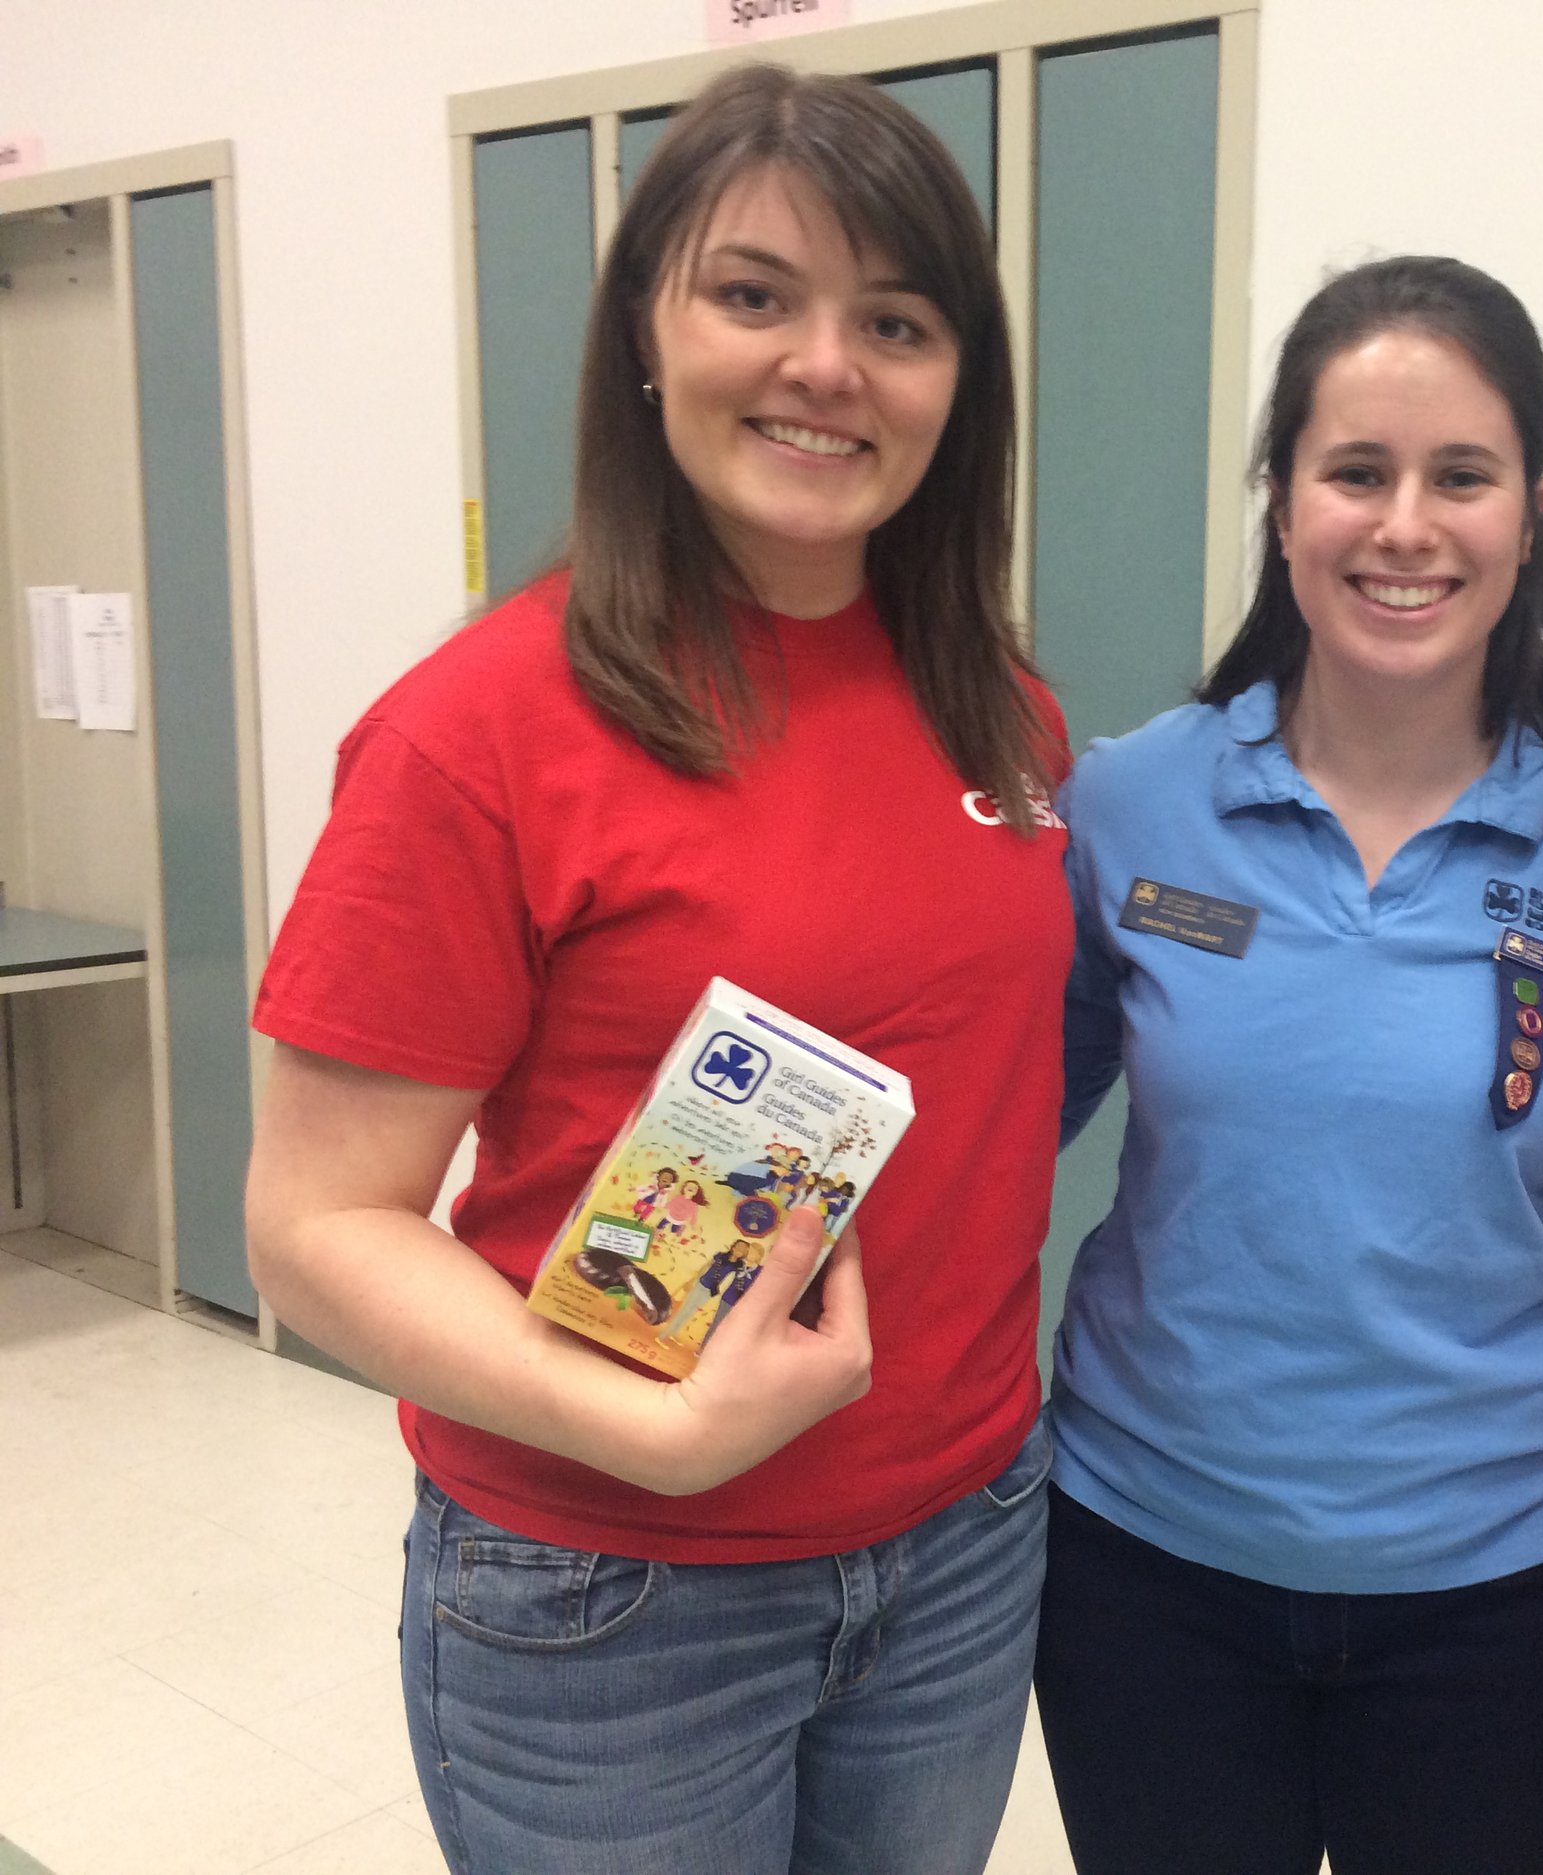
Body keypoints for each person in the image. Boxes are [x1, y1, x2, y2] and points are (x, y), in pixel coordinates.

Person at [243, 65, 1070, 1875]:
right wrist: (650, 1429)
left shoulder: (1002, 715)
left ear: (960, 385)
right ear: (646, 332)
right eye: (755, 294)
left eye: (898, 320)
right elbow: (314, 1227)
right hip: (613, 1591)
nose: (827, 366)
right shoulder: (477, 735)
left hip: (959, 1544)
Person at [1036, 256, 1543, 1875]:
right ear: (1282, 504)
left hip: (1508, 1587)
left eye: (1460, 476)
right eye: (1356, 472)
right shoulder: (1130, 806)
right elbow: (1000, 1115)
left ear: (1527, 512)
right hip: (1149, 1559)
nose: (1407, 525)